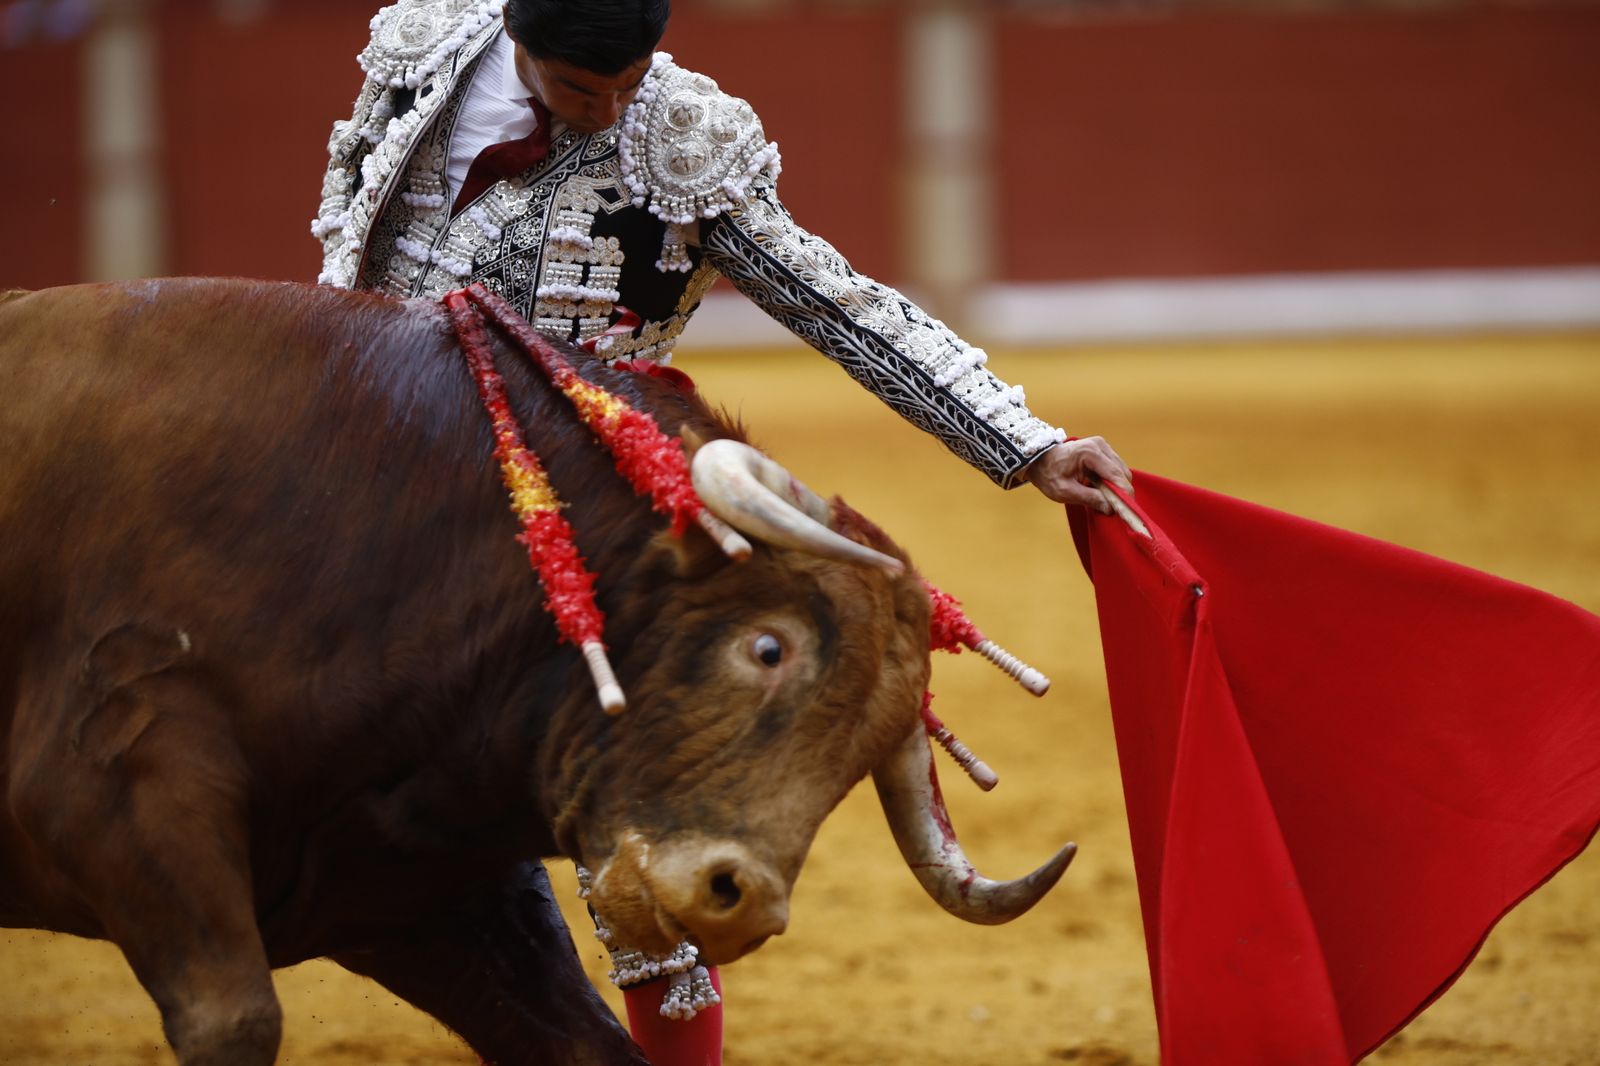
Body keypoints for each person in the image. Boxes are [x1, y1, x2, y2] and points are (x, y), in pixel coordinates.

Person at [314, 0, 1133, 1060]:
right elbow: (349, 235)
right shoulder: (425, 49)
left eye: (628, 84)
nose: (608, 112)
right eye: (577, 91)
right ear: (516, 40)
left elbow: (837, 306)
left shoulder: (683, 141)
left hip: (579, 519)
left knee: (641, 832)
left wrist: (1022, 442)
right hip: (364, 488)